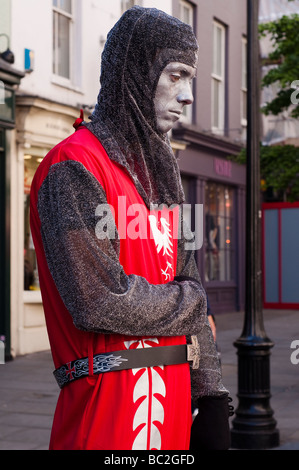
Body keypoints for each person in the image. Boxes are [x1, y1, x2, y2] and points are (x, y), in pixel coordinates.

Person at [30, 6, 231, 451]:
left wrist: (211, 394)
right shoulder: (73, 166)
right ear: (138, 71)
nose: (188, 96)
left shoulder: (164, 175)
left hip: (176, 411)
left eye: (190, 79)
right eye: (176, 75)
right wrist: (193, 302)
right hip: (105, 414)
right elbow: (101, 300)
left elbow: (188, 281)